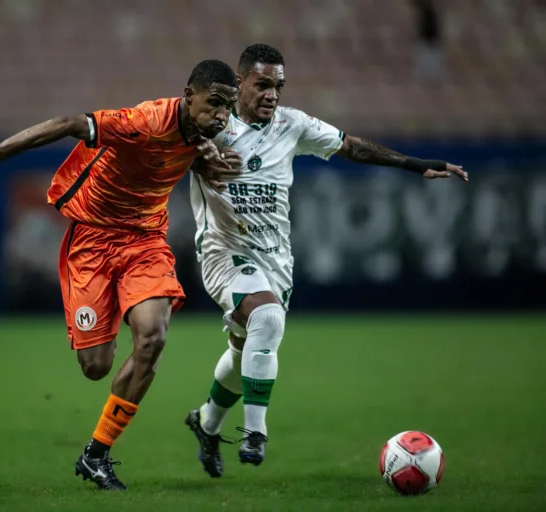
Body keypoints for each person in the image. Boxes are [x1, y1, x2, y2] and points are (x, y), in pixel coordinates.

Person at [0, 59, 238, 491]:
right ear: (188, 95)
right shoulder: (143, 121)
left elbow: (181, 152)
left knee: (153, 338)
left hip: (144, 243)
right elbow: (70, 123)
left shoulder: (203, 135)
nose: (221, 115)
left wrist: (203, 162)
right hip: (93, 243)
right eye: (214, 103)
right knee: (96, 366)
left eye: (227, 108)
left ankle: (96, 453)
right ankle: (101, 372)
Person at [185, 44, 468, 478]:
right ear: (240, 82)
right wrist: (198, 160)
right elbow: (162, 147)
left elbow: (350, 147)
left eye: (278, 86)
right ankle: (255, 433)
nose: (272, 94)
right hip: (223, 251)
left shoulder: (291, 124)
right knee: (268, 319)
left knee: (245, 352)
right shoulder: (208, 124)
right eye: (262, 84)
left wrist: (416, 165)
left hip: (275, 259)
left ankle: (206, 423)